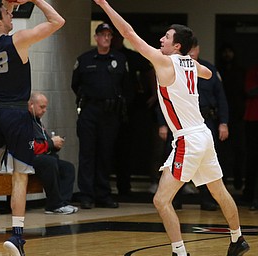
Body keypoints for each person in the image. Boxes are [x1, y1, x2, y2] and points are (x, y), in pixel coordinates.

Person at [93, 1, 250, 256]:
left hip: (187, 139)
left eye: (166, 37)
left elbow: (129, 34)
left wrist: (104, 5)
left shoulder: (165, 63)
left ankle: (179, 252)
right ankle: (237, 238)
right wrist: (192, 65)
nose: (160, 40)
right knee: (219, 191)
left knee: (161, 200)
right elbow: (209, 74)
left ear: (176, 45)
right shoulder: (192, 63)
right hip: (203, 135)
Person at [0, 0, 64, 255]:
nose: (12, 16)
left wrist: (4, 3)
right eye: (8, 14)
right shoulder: (18, 40)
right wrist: (35, 0)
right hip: (15, 113)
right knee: (19, 176)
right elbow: (58, 21)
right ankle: (16, 237)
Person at [71, 22, 128, 209]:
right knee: (87, 153)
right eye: (103, 35)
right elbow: (75, 84)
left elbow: (126, 86)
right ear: (96, 37)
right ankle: (86, 195)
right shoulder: (85, 59)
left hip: (110, 113)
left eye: (109, 35)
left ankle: (103, 194)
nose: (106, 38)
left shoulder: (119, 59)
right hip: (89, 110)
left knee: (105, 154)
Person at [169, 37, 230, 211]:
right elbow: (166, 98)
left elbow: (221, 98)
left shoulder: (208, 69)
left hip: (206, 120)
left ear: (198, 49)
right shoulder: (174, 67)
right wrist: (162, 123)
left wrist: (223, 122)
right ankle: (175, 199)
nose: (192, 53)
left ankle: (208, 199)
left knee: (209, 161)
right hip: (183, 123)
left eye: (194, 49)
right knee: (176, 159)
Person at [111, 29, 160, 196]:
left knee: (127, 147)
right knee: (107, 148)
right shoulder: (103, 55)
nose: (112, 40)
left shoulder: (131, 56)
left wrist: (154, 93)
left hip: (131, 108)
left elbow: (150, 70)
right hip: (108, 110)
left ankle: (124, 186)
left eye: (115, 37)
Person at [28, 91, 78, 215]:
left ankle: (63, 202)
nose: (44, 110)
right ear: (31, 105)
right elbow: (30, 147)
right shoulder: (24, 122)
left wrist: (55, 145)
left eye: (45, 107)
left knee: (68, 168)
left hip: (43, 156)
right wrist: (51, 143)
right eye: (42, 107)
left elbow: (44, 144)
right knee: (49, 162)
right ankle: (53, 204)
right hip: (28, 158)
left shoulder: (38, 122)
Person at [217, 44, 246, 191]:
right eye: (225, 51)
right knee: (221, 151)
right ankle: (222, 181)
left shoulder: (240, 71)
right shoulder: (217, 71)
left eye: (230, 51)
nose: (227, 54)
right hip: (221, 117)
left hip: (238, 116)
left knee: (239, 150)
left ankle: (238, 179)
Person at [243, 64, 258, 210]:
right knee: (252, 158)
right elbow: (250, 90)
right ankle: (250, 196)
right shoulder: (253, 71)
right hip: (253, 119)